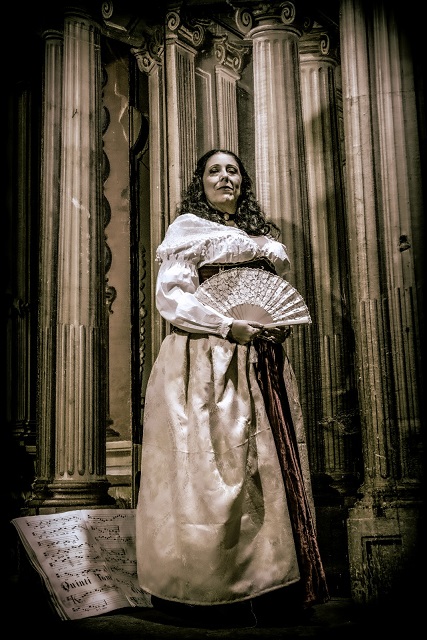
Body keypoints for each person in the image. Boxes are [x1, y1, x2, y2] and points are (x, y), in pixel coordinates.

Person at [135, 149, 329, 626]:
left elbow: (269, 302)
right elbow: (172, 299)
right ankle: (210, 588)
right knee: (211, 468)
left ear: (243, 182)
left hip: (260, 363)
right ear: (200, 183)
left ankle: (269, 584)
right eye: (214, 171)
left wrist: (272, 329)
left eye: (233, 170)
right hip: (205, 360)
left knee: (264, 471)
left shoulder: (260, 241)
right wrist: (225, 326)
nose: (225, 177)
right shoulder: (188, 232)